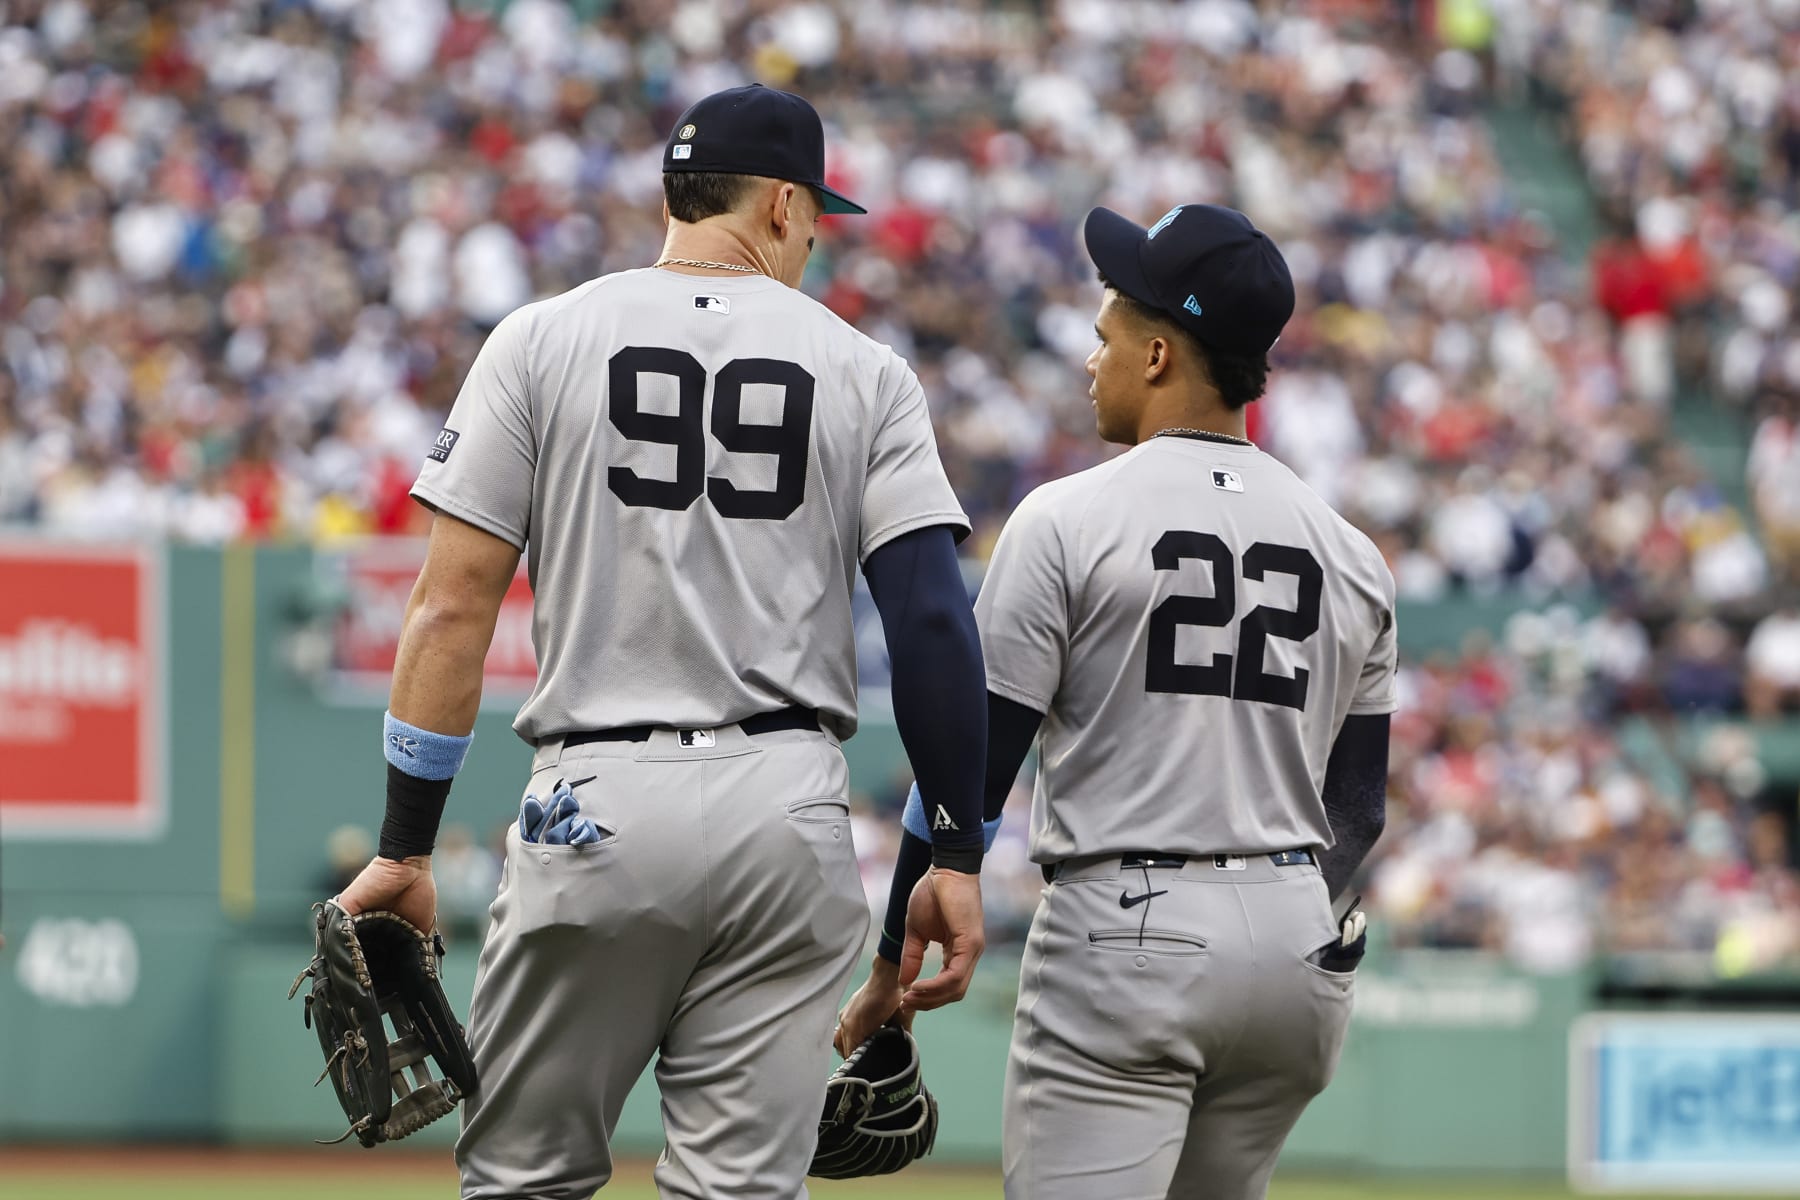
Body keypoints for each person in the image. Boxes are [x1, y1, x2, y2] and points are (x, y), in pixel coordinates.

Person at [332, 84, 989, 1200]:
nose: (818, 236)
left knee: (523, 1180)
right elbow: (932, 620)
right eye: (818, 215)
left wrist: (405, 846)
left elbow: (450, 608)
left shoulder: (540, 338)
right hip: (788, 803)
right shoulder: (866, 370)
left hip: (594, 798)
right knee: (737, 1190)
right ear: (783, 205)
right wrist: (960, 850)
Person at [839, 203, 1395, 1200]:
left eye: (1105, 338)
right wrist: (1279, 912)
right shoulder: (1352, 553)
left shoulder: (1066, 518)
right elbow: (1359, 809)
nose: (1091, 360)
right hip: (1295, 951)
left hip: (1131, 927)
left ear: (1156, 356)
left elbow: (970, 777)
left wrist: (893, 954)